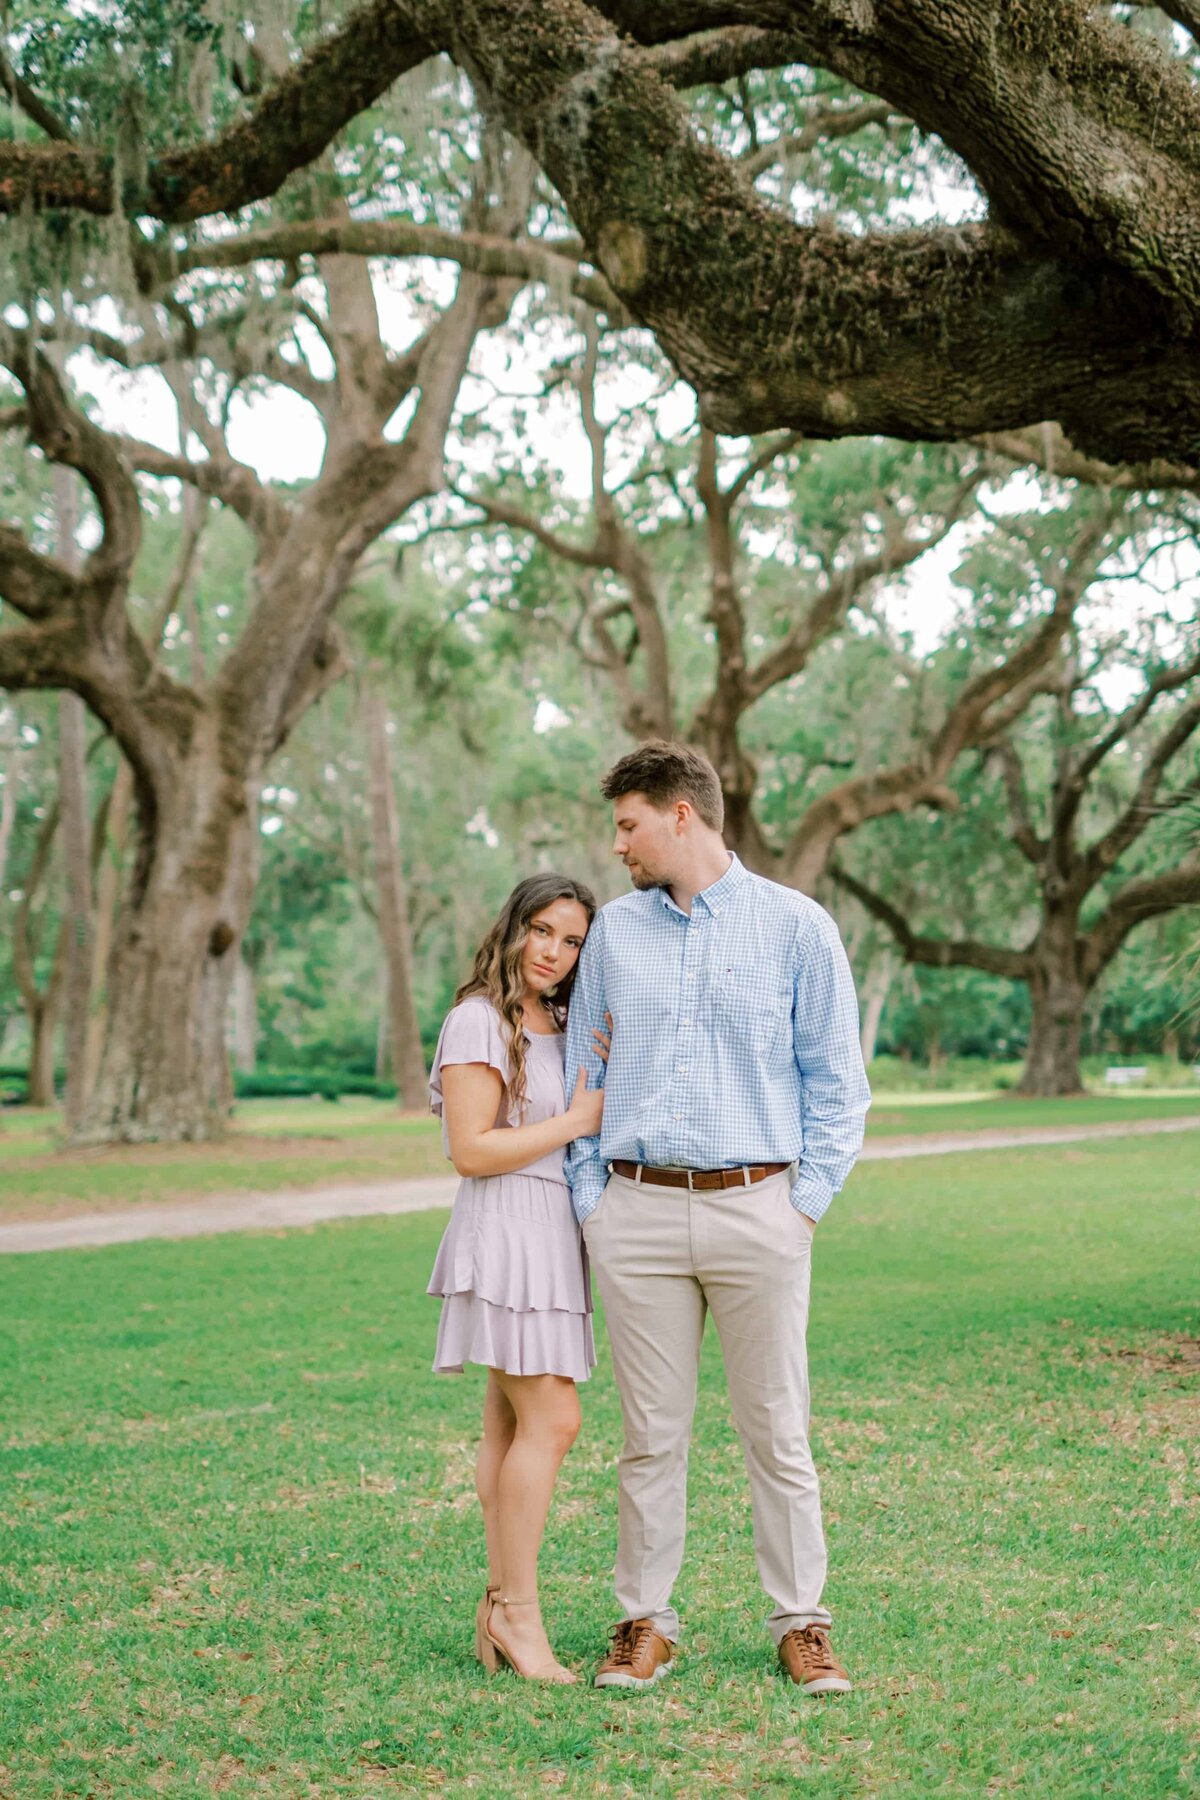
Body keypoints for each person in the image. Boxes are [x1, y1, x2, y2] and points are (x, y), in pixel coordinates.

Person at [564, 741, 871, 1696]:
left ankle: (801, 1623)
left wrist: (801, 1205)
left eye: (628, 824)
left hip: (759, 1209)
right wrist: (593, 1202)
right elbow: (587, 1071)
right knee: (650, 1435)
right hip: (637, 1214)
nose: (618, 845)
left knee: (777, 1430)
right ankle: (645, 1622)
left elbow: (837, 1082)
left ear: (681, 813)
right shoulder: (615, 932)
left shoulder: (797, 927)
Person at [427, 873, 606, 1686]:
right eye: (542, 930)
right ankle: (518, 1616)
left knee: (508, 1425)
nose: (554, 952)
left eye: (571, 940)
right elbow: (471, 1149)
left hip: (552, 1231)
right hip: (505, 1229)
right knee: (554, 1418)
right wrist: (572, 1122)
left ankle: (499, 1608)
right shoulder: (478, 1019)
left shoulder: (559, 1020)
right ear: (512, 928)